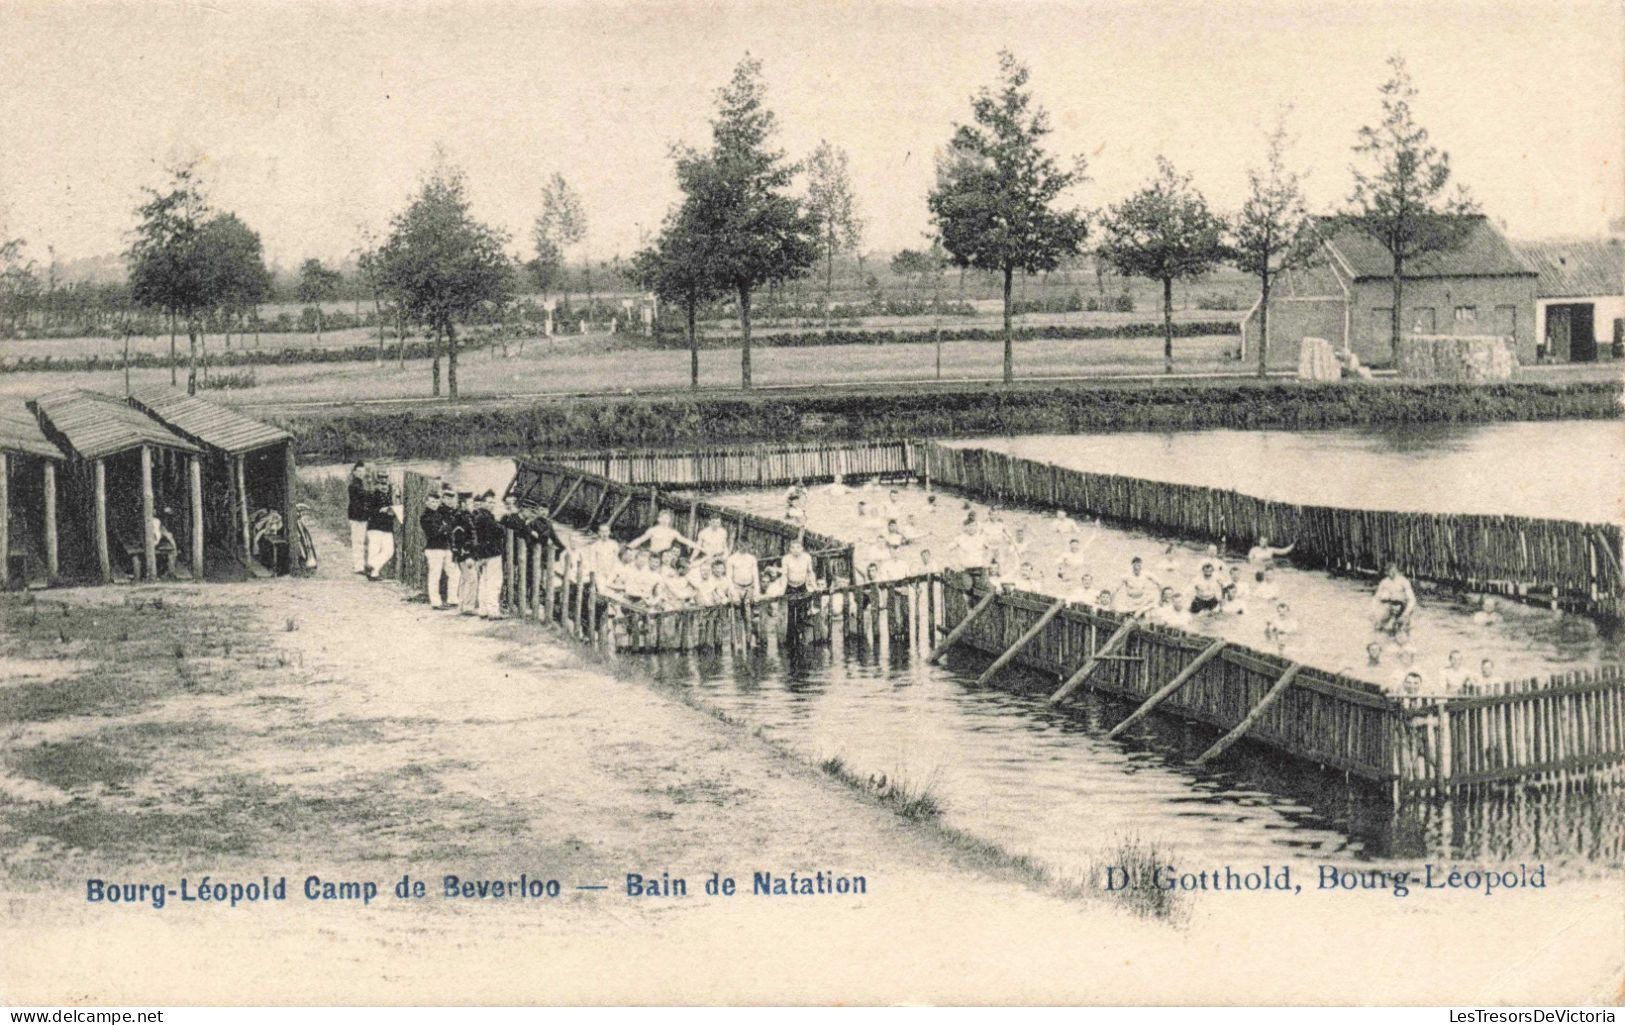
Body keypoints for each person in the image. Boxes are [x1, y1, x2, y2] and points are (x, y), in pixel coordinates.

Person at [471, 491, 507, 618]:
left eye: (493, 502)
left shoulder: (479, 516)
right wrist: (500, 527)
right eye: (489, 502)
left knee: (484, 581)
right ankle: (493, 611)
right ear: (483, 503)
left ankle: (483, 609)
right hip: (492, 552)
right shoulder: (486, 517)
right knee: (494, 582)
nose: (491, 505)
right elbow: (499, 531)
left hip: (482, 554)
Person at [420, 491, 456, 609]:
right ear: (426, 503)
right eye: (431, 502)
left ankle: (452, 599)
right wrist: (444, 529)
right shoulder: (425, 517)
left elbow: (449, 529)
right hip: (434, 548)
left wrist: (444, 529)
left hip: (445, 547)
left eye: (436, 501)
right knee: (435, 575)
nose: (434, 504)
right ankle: (435, 602)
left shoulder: (440, 515)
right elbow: (433, 533)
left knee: (454, 573)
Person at [364, 478, 399, 581]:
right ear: (377, 485)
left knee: (389, 551)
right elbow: (367, 511)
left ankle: (371, 565)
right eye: (381, 484)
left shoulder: (389, 497)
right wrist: (380, 510)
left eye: (386, 485)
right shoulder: (372, 496)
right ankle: (373, 574)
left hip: (387, 528)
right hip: (375, 527)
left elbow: (392, 512)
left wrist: (393, 512)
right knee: (374, 550)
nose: (384, 487)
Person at [1371, 562, 1418, 637]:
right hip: (1391, 606)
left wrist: (1405, 614)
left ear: (1396, 570)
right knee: (1379, 628)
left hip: (1403, 607)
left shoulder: (1404, 581)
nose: (1389, 573)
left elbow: (1412, 600)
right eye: (1387, 571)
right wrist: (1374, 613)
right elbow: (1376, 598)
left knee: (1402, 632)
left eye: (1391, 571)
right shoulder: (1384, 582)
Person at [629, 509, 698, 557]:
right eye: (663, 518)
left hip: (665, 557)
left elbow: (685, 541)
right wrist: (628, 547)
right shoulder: (653, 530)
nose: (665, 520)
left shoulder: (673, 532)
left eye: (667, 518)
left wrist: (700, 548)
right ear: (659, 519)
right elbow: (641, 539)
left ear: (670, 520)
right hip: (653, 555)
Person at [452, 491, 478, 613]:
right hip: (465, 554)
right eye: (470, 503)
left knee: (464, 579)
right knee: (471, 579)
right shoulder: (462, 519)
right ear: (463, 504)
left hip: (463, 554)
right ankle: (468, 606)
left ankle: (462, 604)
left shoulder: (464, 517)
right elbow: (459, 539)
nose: (472, 505)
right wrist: (467, 554)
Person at [346, 461, 372, 574]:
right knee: (358, 542)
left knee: (360, 541)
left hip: (361, 517)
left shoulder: (360, 484)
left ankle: (361, 565)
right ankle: (358, 567)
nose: (361, 473)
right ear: (354, 472)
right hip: (357, 517)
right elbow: (364, 496)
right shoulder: (354, 486)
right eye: (359, 471)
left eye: (363, 471)